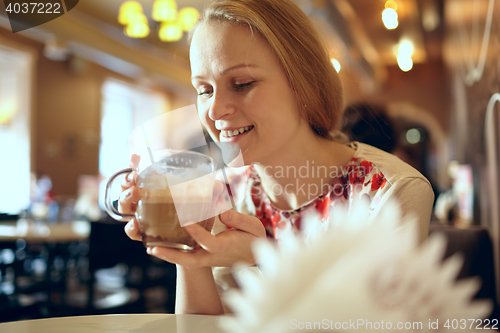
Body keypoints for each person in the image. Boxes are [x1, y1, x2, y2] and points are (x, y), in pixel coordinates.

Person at [118, 0, 434, 315]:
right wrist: (187, 245)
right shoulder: (221, 192)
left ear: (304, 84)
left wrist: (263, 259)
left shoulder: (390, 192)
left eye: (242, 84)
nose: (214, 111)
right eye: (204, 90)